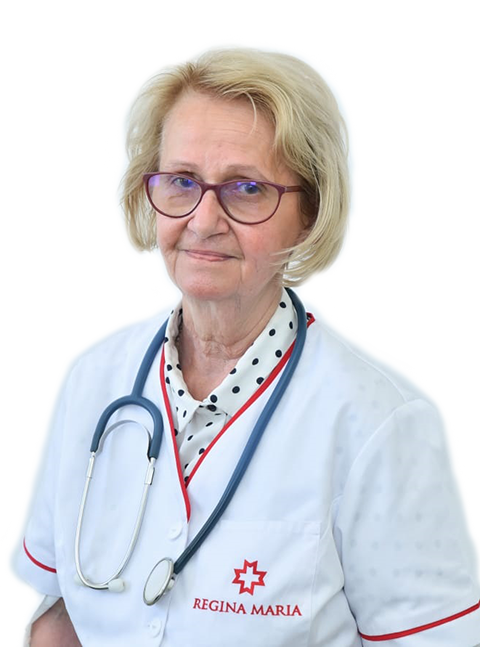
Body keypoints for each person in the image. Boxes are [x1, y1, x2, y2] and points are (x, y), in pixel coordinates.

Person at [18, 43, 480, 646]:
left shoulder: (383, 423)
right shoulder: (90, 380)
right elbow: (59, 618)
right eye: (181, 181)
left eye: (246, 189)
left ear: (310, 212)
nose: (203, 220)